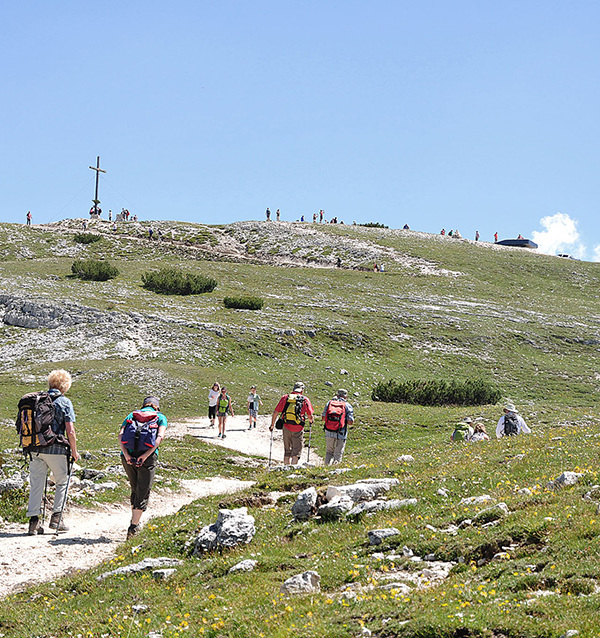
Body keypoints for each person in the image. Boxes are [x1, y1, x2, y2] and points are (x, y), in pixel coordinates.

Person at [26, 369, 80, 535]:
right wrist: (74, 451)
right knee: (62, 481)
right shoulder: (65, 402)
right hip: (56, 449)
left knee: (36, 484)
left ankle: (33, 522)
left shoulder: (37, 400)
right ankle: (57, 518)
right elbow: (70, 431)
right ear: (65, 386)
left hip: (35, 448)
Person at [119, 395, 167, 539]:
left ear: (144, 405)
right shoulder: (160, 417)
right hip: (147, 457)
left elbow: (121, 434)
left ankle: (134, 520)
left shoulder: (132, 414)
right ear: (156, 406)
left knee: (135, 487)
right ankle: (134, 527)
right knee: (143, 489)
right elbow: (160, 437)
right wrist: (146, 455)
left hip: (127, 456)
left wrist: (126, 454)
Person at [270, 382, 314, 465]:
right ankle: (293, 469)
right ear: (302, 390)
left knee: (287, 450)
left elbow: (275, 412)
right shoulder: (305, 399)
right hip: (298, 427)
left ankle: (286, 467)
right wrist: (311, 421)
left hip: (286, 426)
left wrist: (272, 425)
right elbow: (310, 415)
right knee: (296, 451)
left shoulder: (285, 398)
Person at [322, 389, 354, 465]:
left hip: (329, 431)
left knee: (329, 452)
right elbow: (350, 422)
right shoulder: (347, 405)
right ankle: (334, 471)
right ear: (345, 396)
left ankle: (325, 468)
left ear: (337, 395)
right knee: (338, 453)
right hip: (341, 433)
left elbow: (323, 418)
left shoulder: (329, 403)